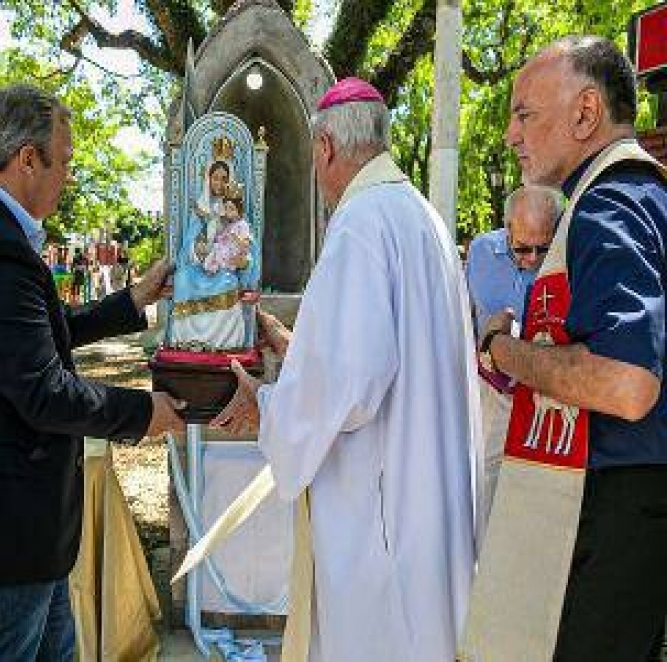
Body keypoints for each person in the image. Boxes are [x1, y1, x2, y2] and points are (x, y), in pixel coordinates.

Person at [212, 78, 479, 661]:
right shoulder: (423, 218)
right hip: (427, 498)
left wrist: (266, 403)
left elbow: (350, 382)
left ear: (326, 148)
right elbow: (379, 349)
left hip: (380, 514)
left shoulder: (359, 222)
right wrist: (297, 344)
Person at [0, 84, 185, 662]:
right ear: (27, 159)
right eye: (62, 161)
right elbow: (42, 391)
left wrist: (131, 300)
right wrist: (144, 413)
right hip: (1, 535)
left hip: (23, 533)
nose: (67, 176)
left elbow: (39, 331)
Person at [482, 36, 667, 659]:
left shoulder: (609, 203)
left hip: (619, 508)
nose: (511, 135)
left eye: (524, 113)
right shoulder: (646, 199)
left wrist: (503, 350)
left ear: (586, 113)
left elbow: (627, 383)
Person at [466, 185, 561, 526]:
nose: (533, 259)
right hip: (490, 393)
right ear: (507, 227)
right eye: (522, 248)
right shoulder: (479, 253)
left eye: (543, 248)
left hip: (544, 395)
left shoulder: (567, 260)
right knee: (484, 487)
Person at [171, 163, 259, 351]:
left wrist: (244, 262)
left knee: (227, 282)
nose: (219, 182)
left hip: (225, 267)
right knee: (182, 278)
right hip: (202, 263)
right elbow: (188, 244)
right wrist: (197, 251)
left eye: (224, 178)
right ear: (208, 179)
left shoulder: (232, 209)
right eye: (215, 177)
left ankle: (224, 343)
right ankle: (186, 340)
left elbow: (247, 243)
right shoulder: (202, 206)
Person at [202, 181, 252, 275]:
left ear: (239, 210)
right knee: (215, 252)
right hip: (226, 247)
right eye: (226, 208)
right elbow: (223, 236)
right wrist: (222, 237)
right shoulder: (229, 224)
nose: (228, 212)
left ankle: (223, 270)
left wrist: (235, 238)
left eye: (232, 209)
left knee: (223, 255)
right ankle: (212, 270)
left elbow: (246, 244)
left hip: (235, 251)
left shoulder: (243, 225)